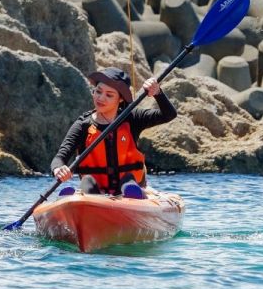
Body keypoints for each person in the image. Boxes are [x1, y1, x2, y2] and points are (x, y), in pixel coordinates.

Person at [51, 67, 177, 199]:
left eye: (109, 95)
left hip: (128, 187)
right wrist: (58, 169)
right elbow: (60, 157)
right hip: (94, 190)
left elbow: (169, 114)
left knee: (128, 181)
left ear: (120, 99)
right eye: (98, 92)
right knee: (87, 182)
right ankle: (80, 204)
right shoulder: (83, 125)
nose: (101, 98)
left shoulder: (132, 118)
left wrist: (157, 92)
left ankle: (133, 194)